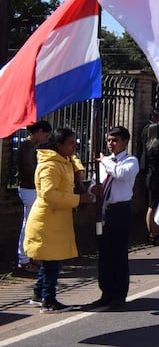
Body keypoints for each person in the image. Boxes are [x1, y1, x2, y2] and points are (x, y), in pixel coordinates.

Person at [24, 128, 95, 312]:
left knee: (50, 260)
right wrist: (79, 199)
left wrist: (79, 170)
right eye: (71, 143)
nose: (74, 147)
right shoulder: (50, 165)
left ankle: (38, 294)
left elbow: (73, 159)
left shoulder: (62, 159)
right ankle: (49, 300)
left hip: (56, 221)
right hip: (47, 221)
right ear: (58, 145)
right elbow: (49, 195)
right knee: (52, 262)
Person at [83, 126, 140, 312]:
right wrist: (93, 190)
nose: (110, 144)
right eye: (108, 140)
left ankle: (119, 294)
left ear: (125, 142)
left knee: (118, 253)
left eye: (114, 141)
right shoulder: (104, 162)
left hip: (120, 210)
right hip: (102, 211)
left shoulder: (131, 161)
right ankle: (105, 292)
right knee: (104, 253)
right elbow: (93, 183)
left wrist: (105, 162)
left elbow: (120, 174)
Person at [16, 120, 52, 274]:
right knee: (28, 223)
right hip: (29, 189)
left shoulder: (32, 146)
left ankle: (31, 256)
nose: (46, 137)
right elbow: (29, 168)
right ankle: (23, 260)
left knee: (34, 224)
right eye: (45, 134)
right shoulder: (27, 147)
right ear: (39, 131)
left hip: (33, 188)